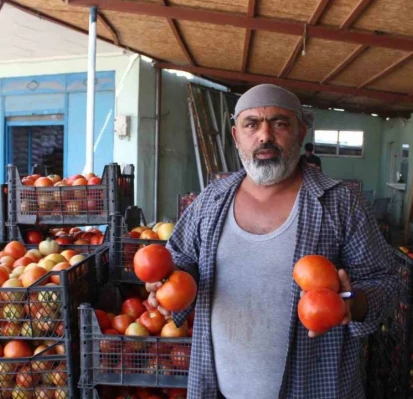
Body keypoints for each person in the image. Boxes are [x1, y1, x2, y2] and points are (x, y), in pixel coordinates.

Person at [147, 84, 396, 399]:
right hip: (219, 389)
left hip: (316, 389)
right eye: (251, 124)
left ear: (300, 132)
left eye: (279, 123)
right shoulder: (212, 199)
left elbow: (386, 283)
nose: (265, 136)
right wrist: (170, 286)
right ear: (236, 136)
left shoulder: (340, 202)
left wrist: (352, 302)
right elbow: (181, 258)